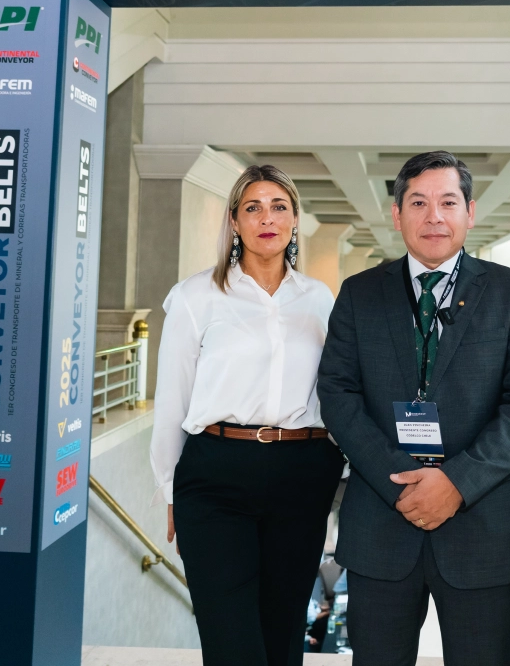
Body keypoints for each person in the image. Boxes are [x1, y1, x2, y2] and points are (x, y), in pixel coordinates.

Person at [317, 151, 510, 666]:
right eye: (418, 203)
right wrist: (400, 480)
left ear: (470, 211)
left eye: (448, 202)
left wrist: (456, 483)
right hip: (383, 522)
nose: (434, 216)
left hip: (483, 528)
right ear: (397, 214)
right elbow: (337, 393)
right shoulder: (359, 294)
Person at [150, 164, 345, 666]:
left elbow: (337, 390)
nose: (267, 218)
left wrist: (338, 464)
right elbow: (172, 400)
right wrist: (170, 489)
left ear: (295, 219)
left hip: (302, 473)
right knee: (230, 639)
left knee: (283, 636)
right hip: (216, 475)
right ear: (234, 221)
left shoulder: (319, 299)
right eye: (253, 207)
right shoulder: (195, 297)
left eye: (279, 207)